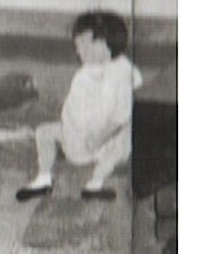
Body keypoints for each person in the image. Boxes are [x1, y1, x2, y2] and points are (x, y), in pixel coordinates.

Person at [14, 11, 142, 202]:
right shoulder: (90, 72)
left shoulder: (118, 75)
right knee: (44, 131)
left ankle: (92, 183)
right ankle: (47, 178)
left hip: (97, 140)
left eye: (83, 45)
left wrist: (98, 138)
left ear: (104, 44)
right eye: (77, 46)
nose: (78, 51)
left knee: (124, 140)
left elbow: (119, 118)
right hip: (77, 138)